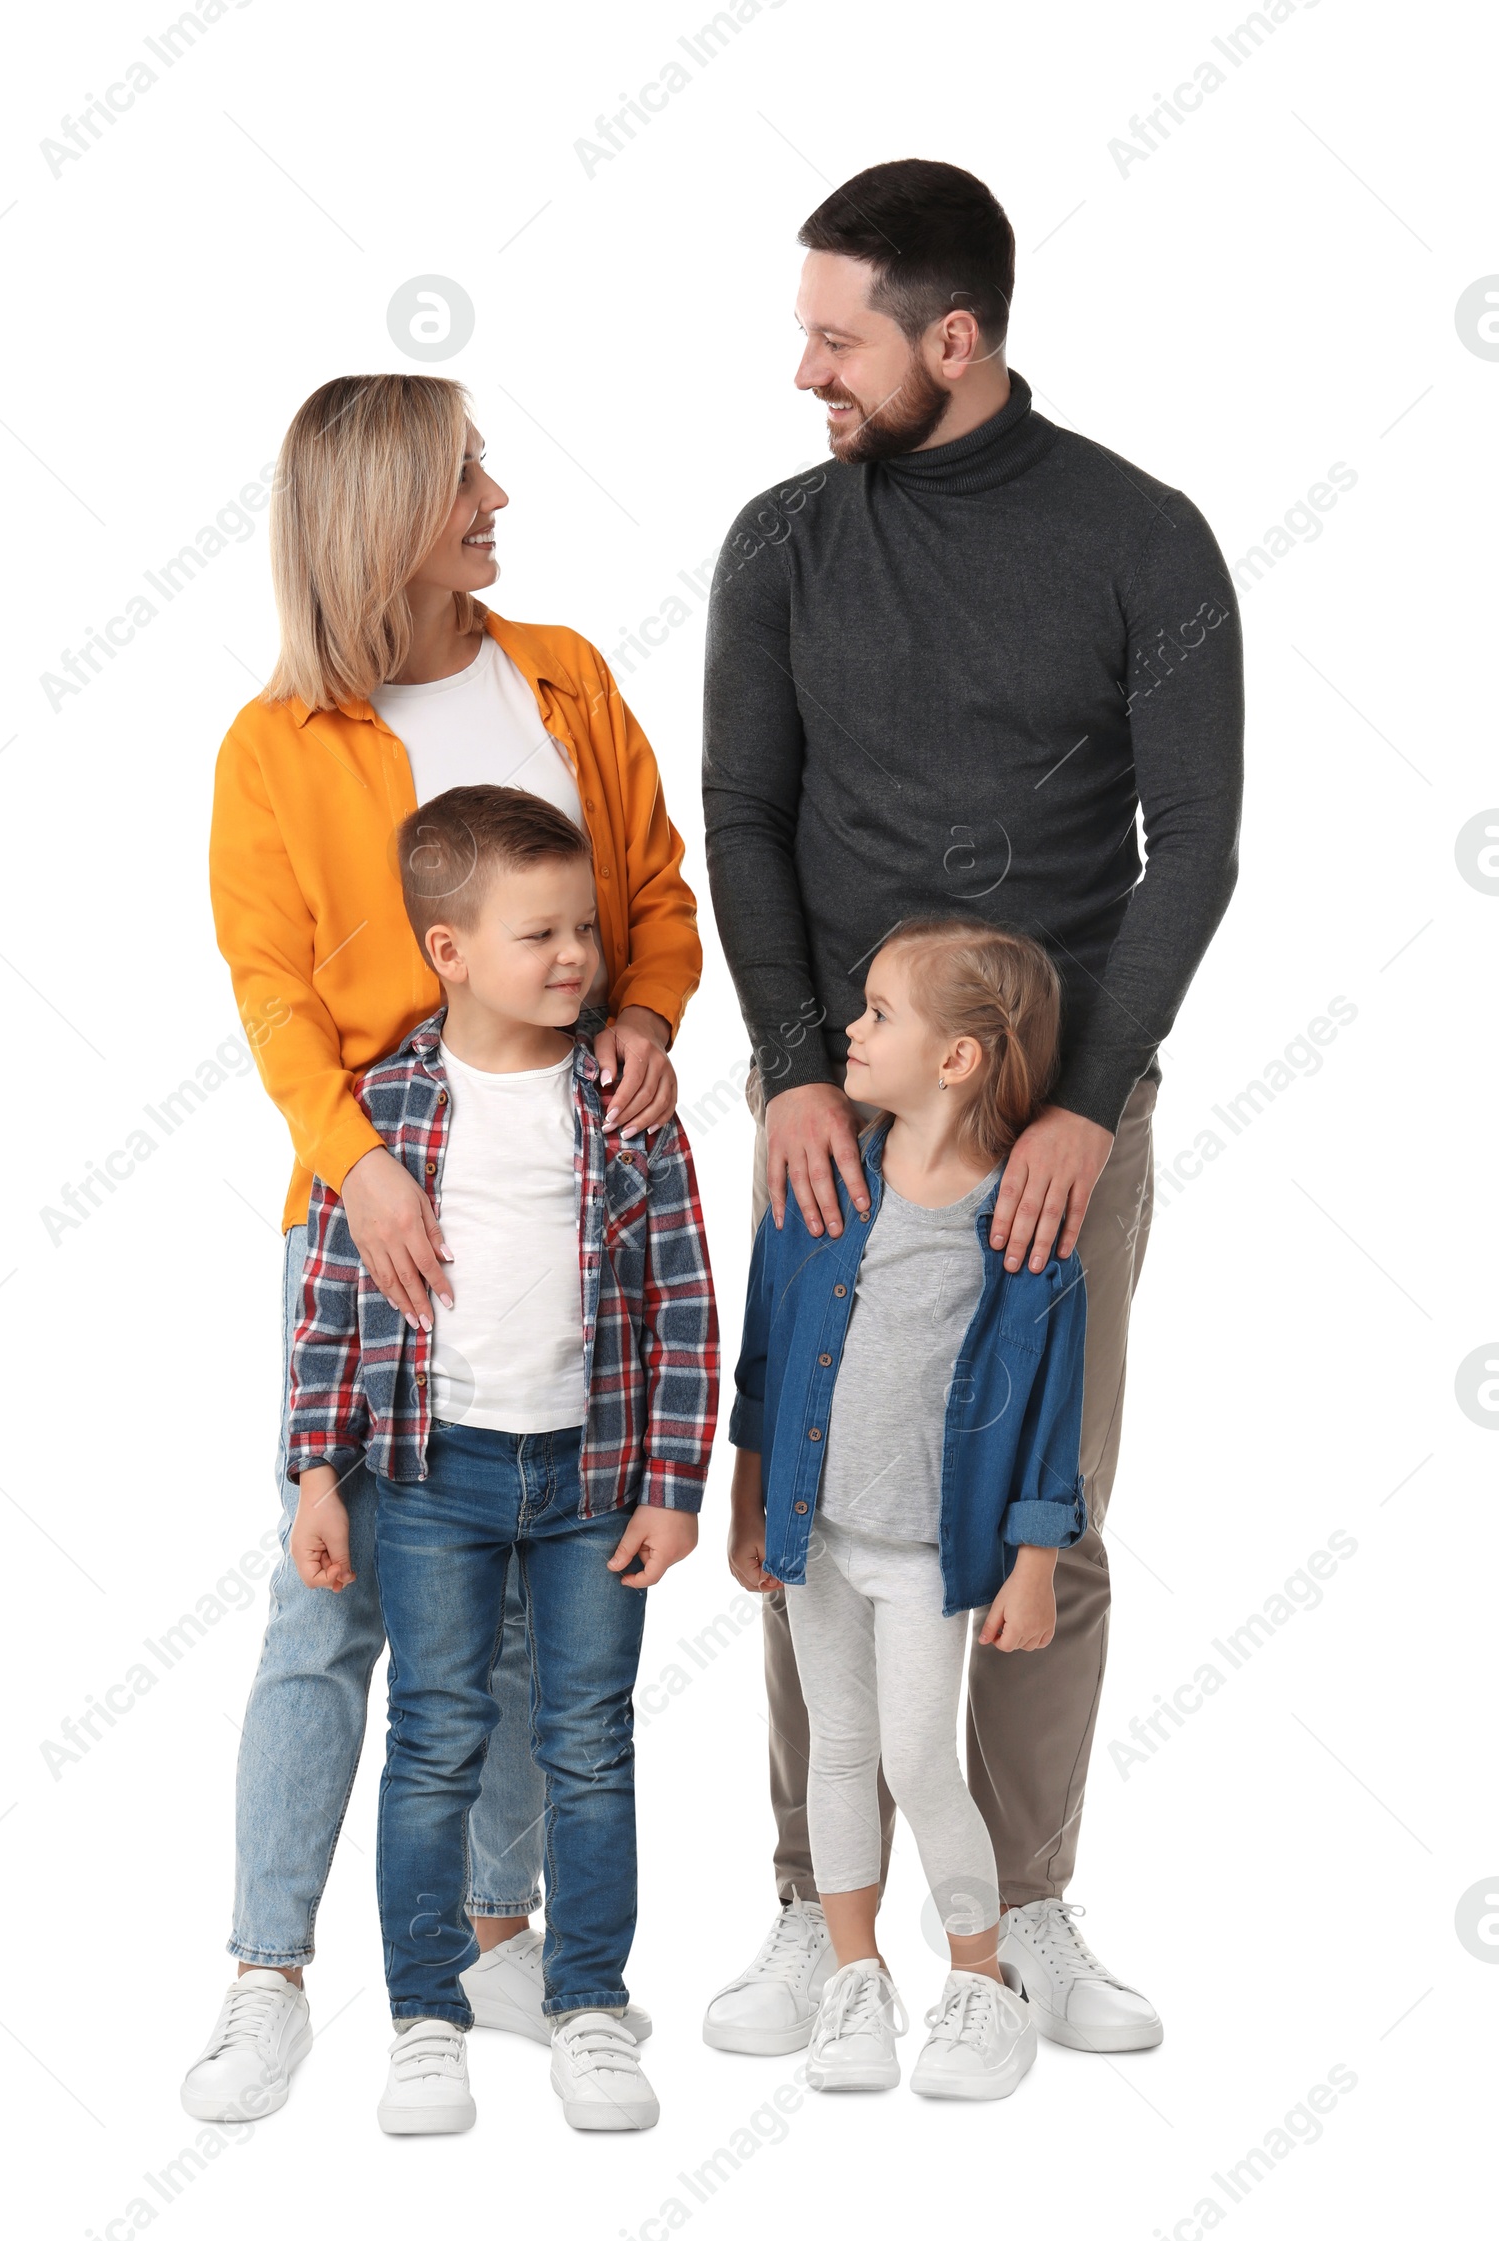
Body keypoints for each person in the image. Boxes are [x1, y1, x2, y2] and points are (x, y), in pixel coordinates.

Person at [702, 158, 1243, 2056]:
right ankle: (817, 1915)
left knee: (1042, 1515)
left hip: (1055, 1122)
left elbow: (1198, 848)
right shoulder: (781, 542)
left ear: (956, 338)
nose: (805, 372)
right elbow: (746, 818)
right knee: (814, 1504)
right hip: (837, 1108)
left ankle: (1017, 1915)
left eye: (836, 338)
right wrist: (787, 1072)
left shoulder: (1144, 539)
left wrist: (1089, 1105)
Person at [184, 374, 702, 2123]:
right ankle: (267, 1970)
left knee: (523, 1589)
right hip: (374, 1221)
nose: (497, 495)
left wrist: (647, 1016)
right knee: (329, 1599)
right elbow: (270, 1002)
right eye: (464, 476)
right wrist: (360, 1177)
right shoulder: (277, 748)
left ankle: (498, 1937)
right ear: (383, 515)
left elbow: (654, 892)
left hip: (567, 1201)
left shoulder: (560, 674)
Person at [282, 785, 718, 2133]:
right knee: (435, 1742)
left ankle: (587, 2003)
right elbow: (333, 1305)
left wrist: (673, 1483)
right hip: (433, 1478)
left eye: (584, 928)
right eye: (541, 935)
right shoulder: (388, 1102)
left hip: (592, 1484)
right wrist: (315, 1469)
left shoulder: (625, 1102)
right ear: (450, 950)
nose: (578, 958)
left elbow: (689, 1297)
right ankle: (427, 2016)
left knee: (589, 1744)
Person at [728, 920, 1083, 2100]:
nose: (850, 1029)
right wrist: (749, 1497)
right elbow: (766, 1358)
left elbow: (1049, 1413)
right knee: (838, 1752)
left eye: (878, 1013)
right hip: (817, 1540)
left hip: (928, 1558)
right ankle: (853, 1978)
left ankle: (979, 1983)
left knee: (919, 1759)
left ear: (959, 1060)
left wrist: (1033, 1560)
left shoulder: (1023, 1228)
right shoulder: (824, 1187)